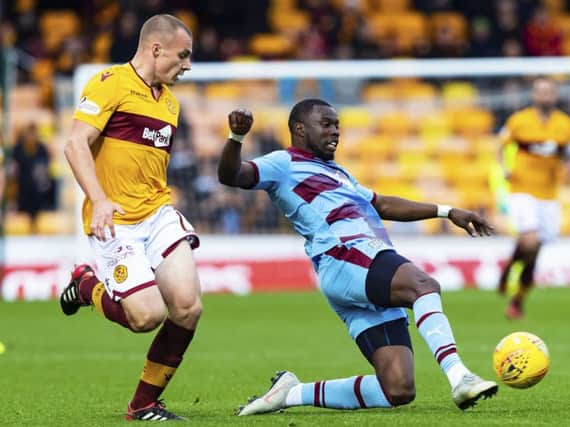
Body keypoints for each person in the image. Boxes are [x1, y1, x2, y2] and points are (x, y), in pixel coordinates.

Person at [218, 99, 498, 415]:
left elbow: (383, 204)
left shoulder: (338, 173)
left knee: (397, 388)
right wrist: (236, 138)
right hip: (347, 256)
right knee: (423, 285)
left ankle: (291, 393)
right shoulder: (283, 163)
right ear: (300, 129)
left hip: (354, 272)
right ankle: (459, 376)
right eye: (326, 124)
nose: (335, 131)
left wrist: (447, 212)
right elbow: (232, 175)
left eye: (337, 125)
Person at [59, 14, 202, 421]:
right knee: (146, 316)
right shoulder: (109, 83)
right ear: (156, 49)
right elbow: (74, 144)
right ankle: (86, 286)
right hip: (114, 219)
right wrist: (99, 198)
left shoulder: (170, 104)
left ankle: (143, 404)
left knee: (188, 308)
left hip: (156, 214)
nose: (188, 66)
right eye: (183, 55)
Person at [496, 77, 570, 319]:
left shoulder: (565, 124)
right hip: (522, 189)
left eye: (549, 92)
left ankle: (516, 292)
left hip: (549, 195)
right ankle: (515, 289)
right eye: (541, 91)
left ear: (555, 95)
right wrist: (505, 168)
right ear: (534, 95)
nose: (545, 96)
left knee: (536, 249)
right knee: (530, 241)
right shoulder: (519, 121)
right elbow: (500, 145)